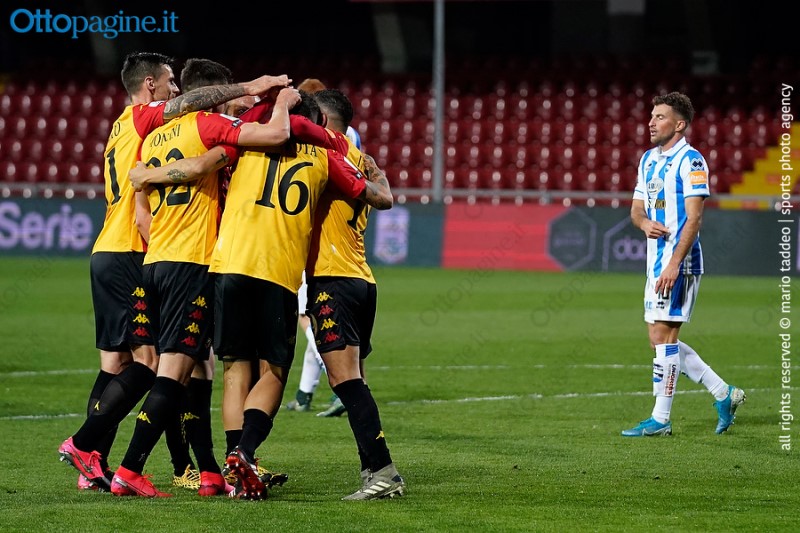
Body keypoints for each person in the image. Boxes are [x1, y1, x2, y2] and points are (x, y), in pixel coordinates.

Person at [57, 51, 286, 491]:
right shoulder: (154, 118)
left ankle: (199, 470)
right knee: (157, 366)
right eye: (168, 82)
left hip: (133, 252)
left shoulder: (133, 131)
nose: (174, 90)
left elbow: (146, 197)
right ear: (150, 85)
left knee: (146, 365)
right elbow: (210, 127)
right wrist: (255, 90)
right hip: (146, 252)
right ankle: (98, 453)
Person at [621, 92, 746, 437]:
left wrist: (675, 263)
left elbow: (694, 218)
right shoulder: (648, 159)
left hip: (680, 263)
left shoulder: (691, 162)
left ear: (679, 125)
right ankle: (724, 393)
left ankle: (661, 419)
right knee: (658, 339)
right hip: (655, 262)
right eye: (651, 116)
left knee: (665, 339)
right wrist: (644, 223)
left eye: (659, 117)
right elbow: (636, 209)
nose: (651, 122)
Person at [301, 88, 404, 499]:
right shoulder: (360, 159)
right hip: (361, 279)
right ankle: (372, 470)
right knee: (353, 378)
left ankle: (384, 472)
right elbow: (385, 196)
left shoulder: (323, 158)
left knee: (344, 381)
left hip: (333, 279)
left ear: (323, 122)